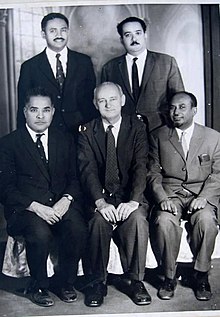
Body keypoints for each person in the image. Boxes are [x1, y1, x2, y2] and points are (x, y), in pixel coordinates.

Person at [0, 87, 87, 307]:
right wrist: (37, 208)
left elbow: (75, 179)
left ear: (53, 111)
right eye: (34, 110)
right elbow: (5, 188)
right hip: (26, 209)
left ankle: (64, 283)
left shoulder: (65, 139)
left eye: (46, 110)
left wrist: (66, 199)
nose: (40, 116)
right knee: (39, 233)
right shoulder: (9, 143)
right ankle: (38, 285)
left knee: (77, 227)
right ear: (24, 112)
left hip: (59, 204)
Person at [78, 81, 150, 307]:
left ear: (123, 100)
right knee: (98, 223)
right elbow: (86, 171)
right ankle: (97, 283)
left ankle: (136, 281)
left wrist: (133, 201)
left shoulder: (136, 126)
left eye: (112, 99)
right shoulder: (87, 130)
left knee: (138, 220)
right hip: (101, 198)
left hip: (129, 196)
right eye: (102, 100)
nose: (108, 104)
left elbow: (141, 166)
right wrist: (100, 203)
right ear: (94, 103)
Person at [147, 91, 220, 301]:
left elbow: (217, 173)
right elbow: (152, 173)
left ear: (194, 110)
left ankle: (201, 274)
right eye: (172, 107)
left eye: (182, 107)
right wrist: (162, 199)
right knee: (163, 221)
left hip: (201, 193)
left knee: (206, 221)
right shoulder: (158, 136)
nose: (175, 112)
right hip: (171, 194)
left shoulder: (213, 137)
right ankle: (169, 277)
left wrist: (205, 197)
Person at [17, 12, 97, 135]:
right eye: (53, 31)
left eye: (63, 30)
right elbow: (23, 108)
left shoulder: (84, 62)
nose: (59, 35)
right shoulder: (30, 67)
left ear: (68, 31)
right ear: (43, 34)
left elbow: (91, 102)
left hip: (81, 134)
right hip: (46, 133)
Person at [101, 16, 184, 131]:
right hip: (124, 131)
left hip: (160, 129)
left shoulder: (166, 62)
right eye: (127, 35)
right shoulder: (109, 68)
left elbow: (180, 99)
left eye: (138, 33)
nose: (134, 38)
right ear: (121, 40)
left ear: (145, 35)